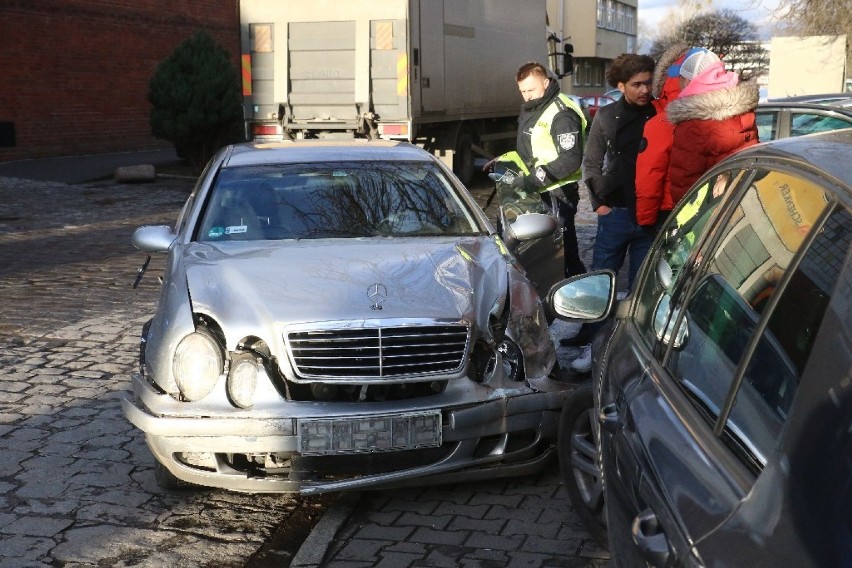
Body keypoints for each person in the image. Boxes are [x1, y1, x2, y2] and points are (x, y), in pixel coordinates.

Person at [567, 53, 657, 373]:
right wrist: (598, 204)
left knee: (642, 289)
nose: (645, 89)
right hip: (616, 212)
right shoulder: (606, 116)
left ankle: (632, 351)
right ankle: (591, 340)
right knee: (600, 280)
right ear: (621, 86)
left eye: (649, 82)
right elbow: (591, 162)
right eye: (637, 84)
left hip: (651, 216)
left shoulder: (661, 115)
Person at [487, 61, 588, 278]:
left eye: (531, 90)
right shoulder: (534, 108)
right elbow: (528, 152)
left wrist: (532, 181)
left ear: (546, 81)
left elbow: (570, 160)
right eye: (523, 91)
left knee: (564, 255)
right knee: (541, 253)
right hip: (537, 192)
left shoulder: (562, 113)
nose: (527, 96)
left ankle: (577, 295)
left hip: (557, 194)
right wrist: (503, 160)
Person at [666, 50, 760, 204]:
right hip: (745, 196)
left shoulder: (692, 123)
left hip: (712, 207)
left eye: (681, 79)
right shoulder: (743, 110)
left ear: (689, 81)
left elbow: (684, 182)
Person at [634, 44, 707, 232]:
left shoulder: (661, 123)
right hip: (710, 209)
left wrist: (646, 219)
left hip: (669, 211)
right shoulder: (720, 116)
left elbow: (650, 176)